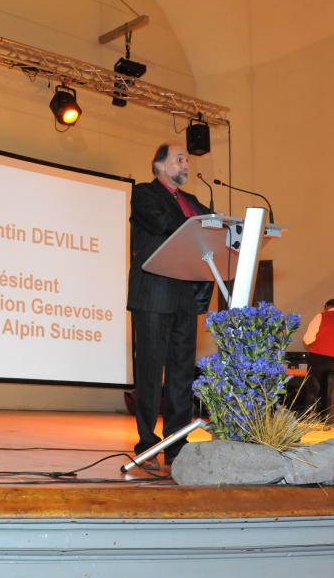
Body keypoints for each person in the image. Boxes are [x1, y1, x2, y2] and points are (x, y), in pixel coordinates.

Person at [127, 143, 214, 469]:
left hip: (185, 297)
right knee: (150, 373)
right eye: (179, 159)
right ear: (159, 165)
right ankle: (147, 442)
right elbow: (163, 223)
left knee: (181, 374)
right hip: (153, 294)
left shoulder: (193, 202)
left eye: (187, 159)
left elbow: (213, 227)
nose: (186, 164)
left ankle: (177, 444)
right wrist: (200, 223)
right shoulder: (144, 194)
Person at [302, 298, 334, 420]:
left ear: (326, 306)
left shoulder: (320, 316)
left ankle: (310, 417)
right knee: (331, 391)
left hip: (318, 357)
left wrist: (317, 345)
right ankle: (330, 419)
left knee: (314, 389)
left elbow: (307, 339)